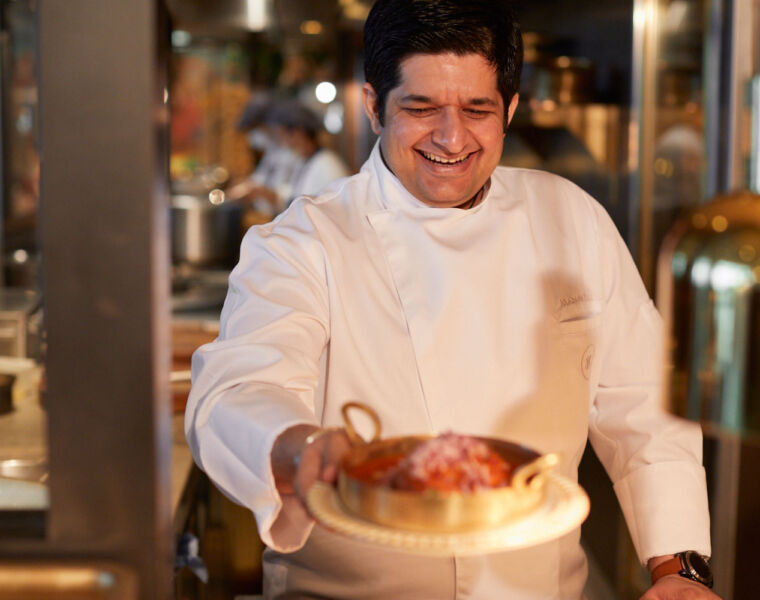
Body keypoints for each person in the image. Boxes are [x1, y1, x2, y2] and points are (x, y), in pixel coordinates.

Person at [185, 1, 718, 598]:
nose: (451, 137)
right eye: (421, 108)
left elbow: (642, 408)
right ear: (373, 106)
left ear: (510, 109)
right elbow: (235, 392)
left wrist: (679, 569)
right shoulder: (304, 240)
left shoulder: (572, 217)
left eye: (477, 109)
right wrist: (298, 446)